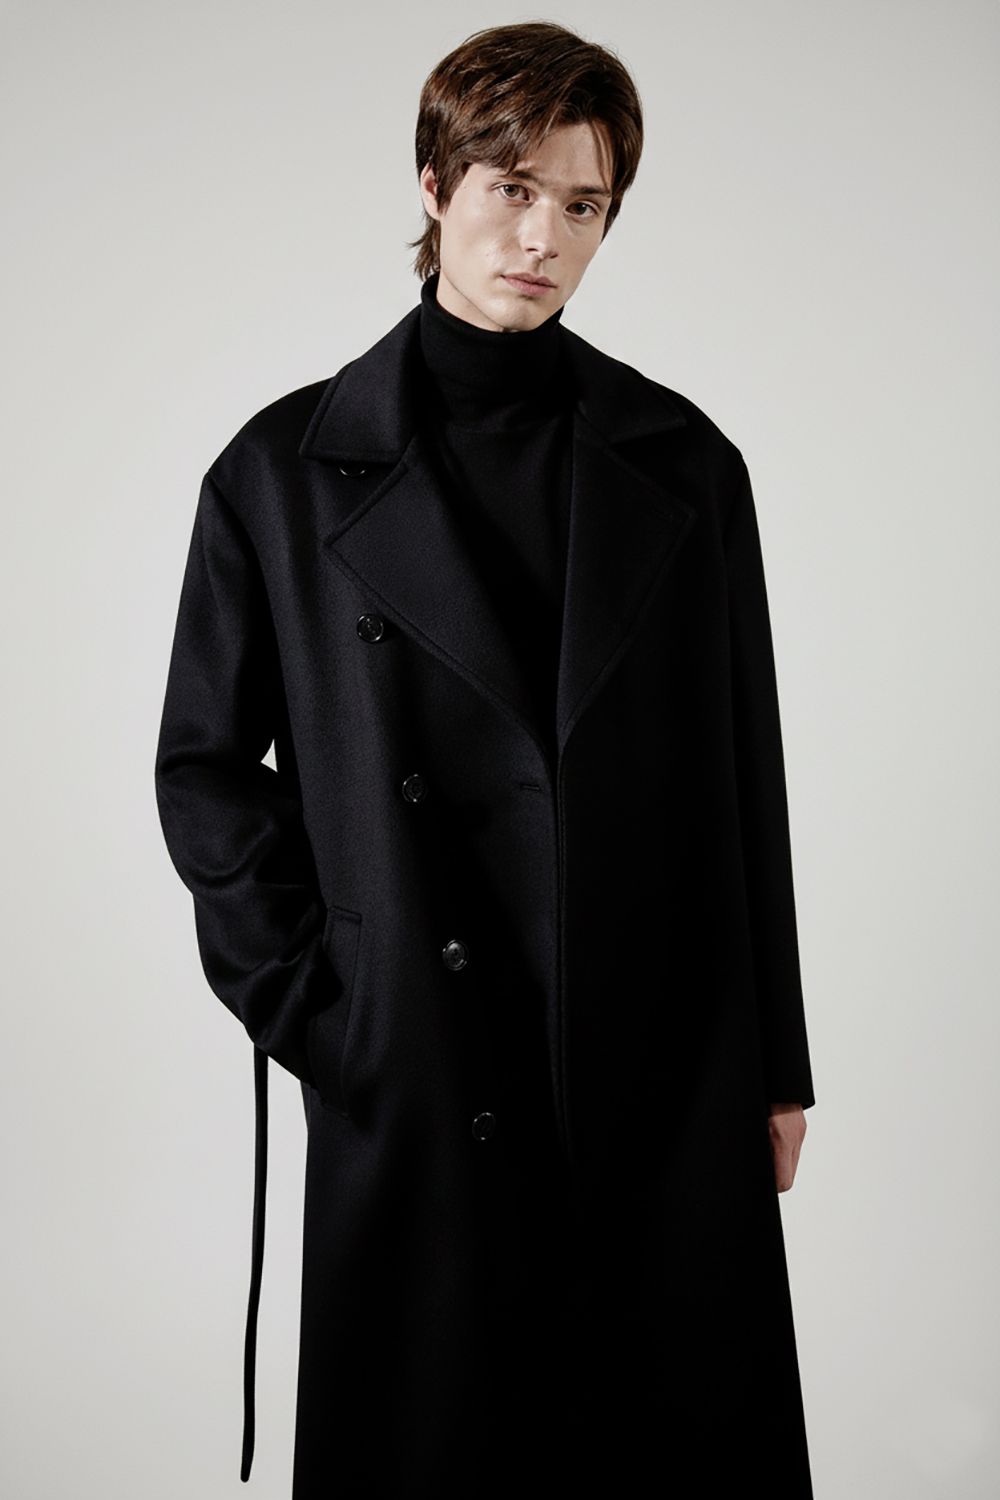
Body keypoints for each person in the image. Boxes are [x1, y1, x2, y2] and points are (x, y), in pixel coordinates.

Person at [156, 20, 814, 1498]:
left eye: (583, 205)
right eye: (514, 188)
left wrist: (774, 1060)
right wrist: (325, 1009)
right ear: (436, 181)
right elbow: (204, 766)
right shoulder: (280, 471)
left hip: (659, 1047)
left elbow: (744, 772)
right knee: (441, 1440)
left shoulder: (684, 463)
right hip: (422, 1045)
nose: (544, 239)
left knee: (660, 1437)